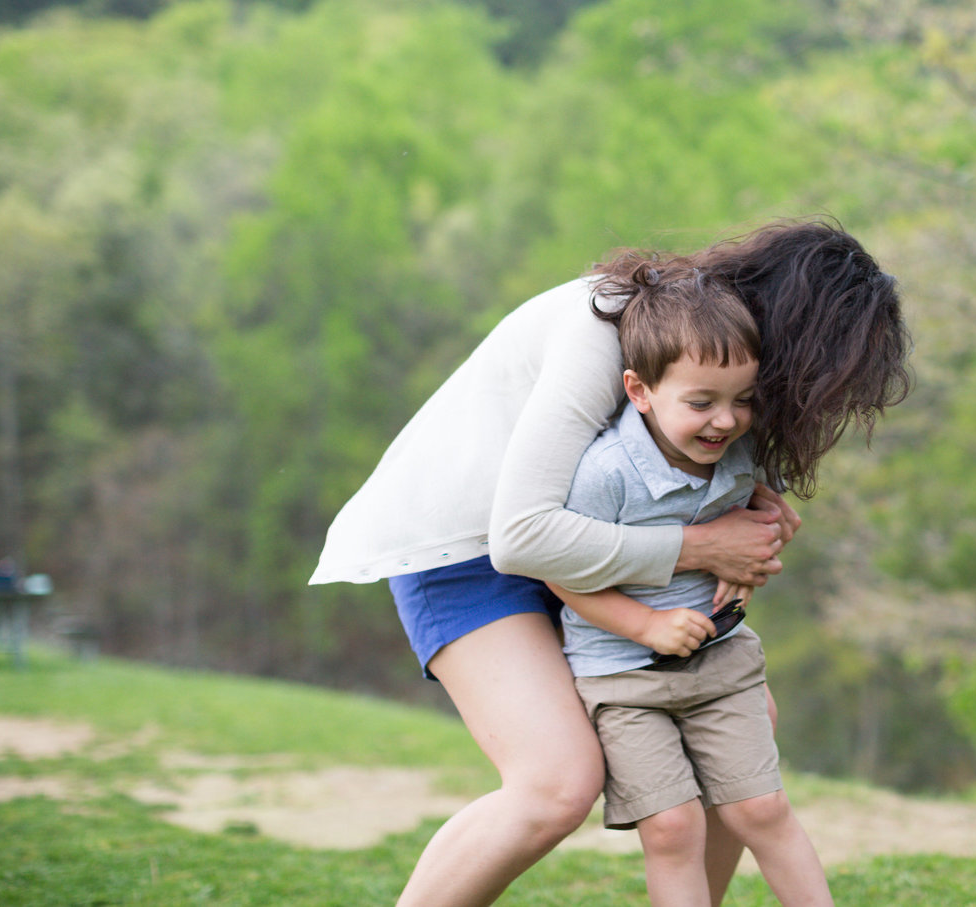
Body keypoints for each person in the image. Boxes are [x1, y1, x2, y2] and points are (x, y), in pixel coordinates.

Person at [308, 219, 910, 907]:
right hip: (463, 549)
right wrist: (702, 545)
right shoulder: (609, 330)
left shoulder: (702, 349)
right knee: (555, 782)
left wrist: (750, 503)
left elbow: (642, 464)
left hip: (583, 538)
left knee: (746, 730)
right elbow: (522, 536)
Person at [543, 265, 831, 907]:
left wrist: (756, 540)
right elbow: (560, 569)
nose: (725, 421)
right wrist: (645, 625)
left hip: (722, 668)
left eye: (743, 400)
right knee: (673, 829)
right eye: (701, 402)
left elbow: (739, 524)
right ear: (639, 391)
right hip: (622, 678)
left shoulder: (736, 454)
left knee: (763, 810)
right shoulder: (605, 474)